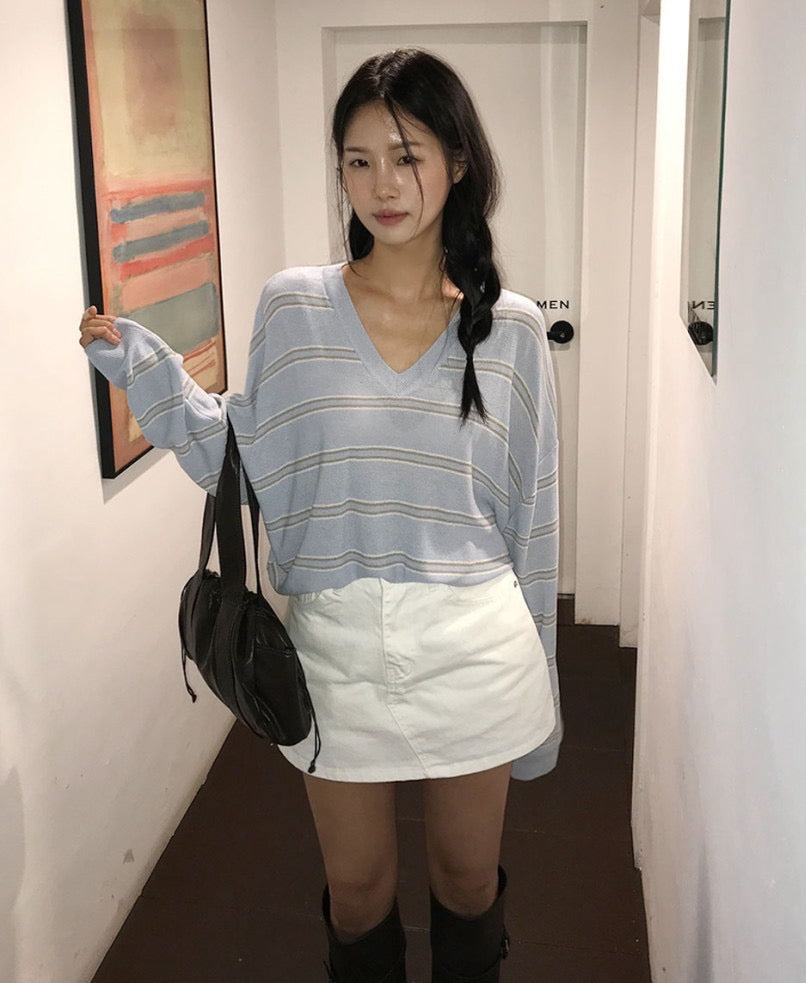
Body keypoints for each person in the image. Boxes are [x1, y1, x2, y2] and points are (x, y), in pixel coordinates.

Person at [79, 48, 562, 983]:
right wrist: (144, 370)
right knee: (358, 892)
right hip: (336, 646)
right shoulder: (294, 308)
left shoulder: (512, 331)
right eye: (359, 160)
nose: (384, 184)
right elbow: (240, 456)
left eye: (408, 156)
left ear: (458, 161)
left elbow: (533, 521)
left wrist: (543, 684)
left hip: (475, 643)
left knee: (468, 883)